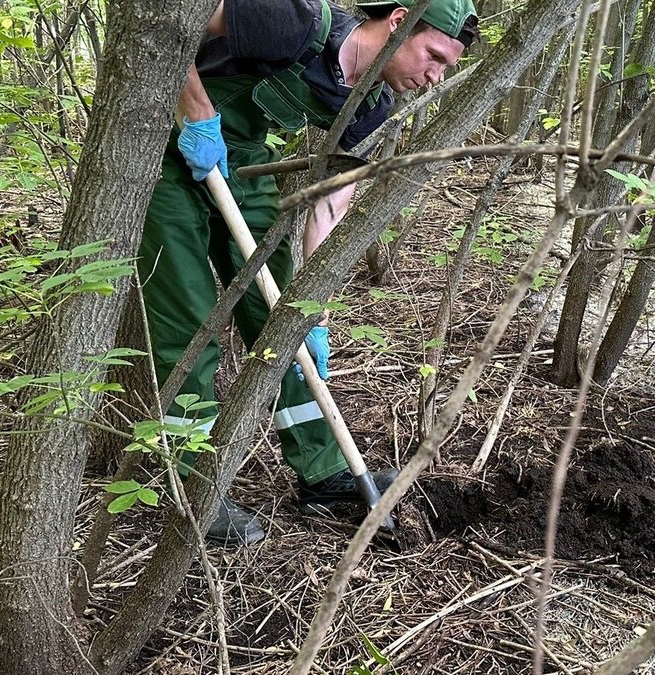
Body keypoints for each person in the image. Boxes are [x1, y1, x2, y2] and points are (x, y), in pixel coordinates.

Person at [140, 0, 478, 547]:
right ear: (397, 23)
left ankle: (324, 472)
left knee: (283, 320)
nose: (434, 75)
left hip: (240, 160)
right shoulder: (293, 20)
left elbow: (330, 204)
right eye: (433, 54)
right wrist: (198, 115)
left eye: (446, 67)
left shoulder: (371, 105)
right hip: (165, 148)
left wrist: (310, 304)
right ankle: (195, 490)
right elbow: (173, 18)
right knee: (190, 320)